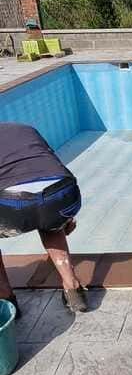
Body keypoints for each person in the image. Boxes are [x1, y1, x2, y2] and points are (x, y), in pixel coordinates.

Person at [0, 122, 87, 315]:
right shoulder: (24, 128)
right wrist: (64, 220)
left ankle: (6, 297)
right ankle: (72, 288)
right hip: (64, 195)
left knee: (31, 204)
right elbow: (48, 166)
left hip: (16, 203)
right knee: (49, 220)